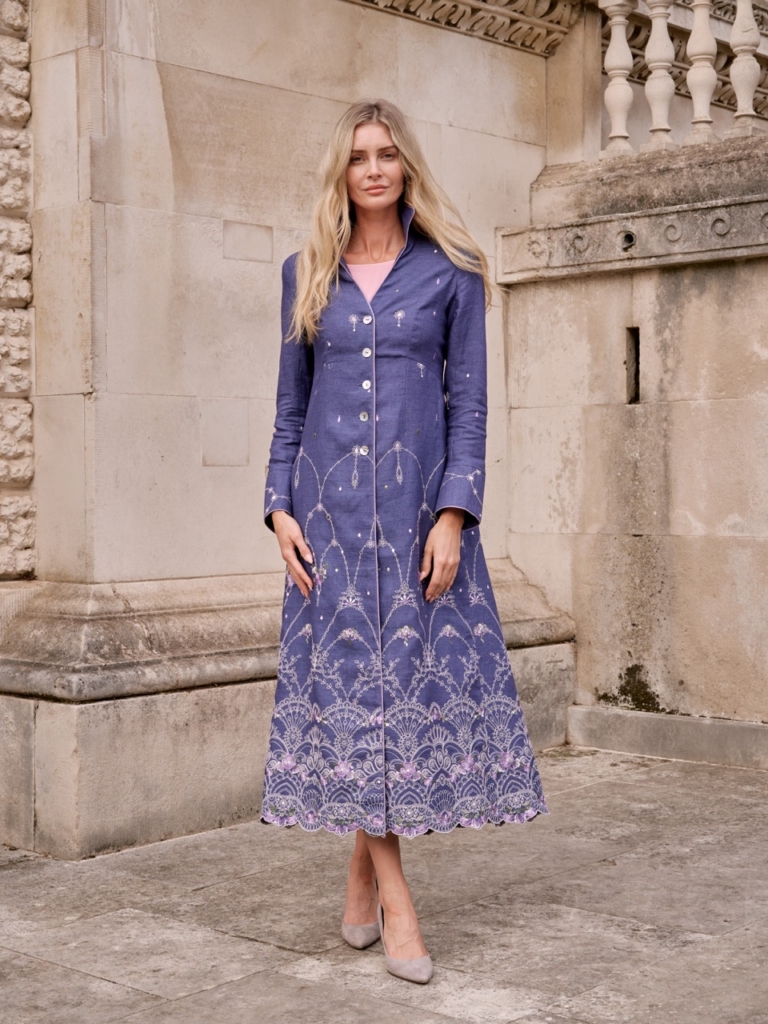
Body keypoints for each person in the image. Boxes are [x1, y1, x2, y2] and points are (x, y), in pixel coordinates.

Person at [262, 99, 547, 984]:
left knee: (399, 706)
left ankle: (361, 876)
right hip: (330, 532)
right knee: (357, 703)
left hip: (422, 528)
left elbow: (471, 407)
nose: (374, 169)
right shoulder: (306, 271)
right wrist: (278, 510)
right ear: (342, 173)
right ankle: (398, 904)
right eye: (359, 157)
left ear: (407, 164)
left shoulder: (453, 273)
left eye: (387, 154)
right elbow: (289, 406)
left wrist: (456, 515)